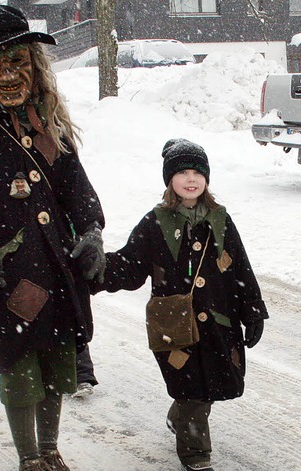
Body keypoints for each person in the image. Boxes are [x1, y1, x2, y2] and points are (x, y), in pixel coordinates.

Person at [0, 5, 105, 470]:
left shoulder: (47, 118)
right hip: (5, 271)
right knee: (18, 366)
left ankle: (51, 449)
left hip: (55, 265)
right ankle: (29, 456)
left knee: (55, 363)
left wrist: (92, 229)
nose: (7, 75)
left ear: (33, 64)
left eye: (16, 62)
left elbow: (76, 184)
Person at [91, 139, 268, 471]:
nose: (191, 179)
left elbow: (241, 268)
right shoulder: (155, 222)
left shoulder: (220, 220)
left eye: (198, 172)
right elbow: (130, 266)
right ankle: (196, 455)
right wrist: (95, 270)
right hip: (174, 325)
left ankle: (180, 418)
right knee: (191, 388)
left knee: (212, 383)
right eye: (183, 172)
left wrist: (253, 308)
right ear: (169, 179)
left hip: (218, 320)